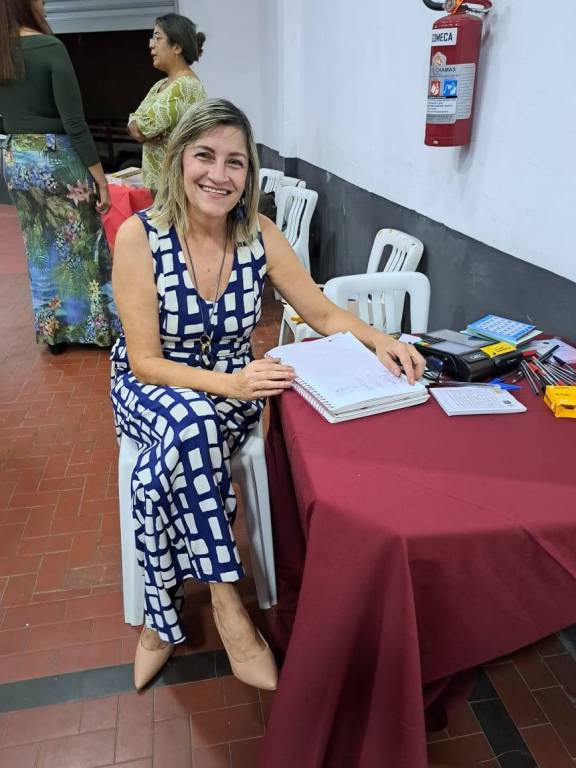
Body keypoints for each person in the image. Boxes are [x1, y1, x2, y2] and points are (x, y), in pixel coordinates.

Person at [111, 98, 426, 691]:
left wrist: (382, 339)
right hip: (152, 387)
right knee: (191, 423)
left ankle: (160, 615)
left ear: (249, 174)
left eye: (235, 162)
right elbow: (146, 362)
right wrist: (230, 383)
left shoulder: (259, 234)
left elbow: (322, 313)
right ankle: (227, 602)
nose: (219, 174)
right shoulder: (140, 237)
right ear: (179, 161)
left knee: (165, 465)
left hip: (233, 391)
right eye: (204, 156)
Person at [0, 0, 119, 353]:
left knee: (39, 244)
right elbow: (75, 123)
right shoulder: (50, 47)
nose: (44, 3)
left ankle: (55, 332)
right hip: (56, 158)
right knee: (81, 241)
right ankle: (96, 329)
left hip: (16, 158)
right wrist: (101, 179)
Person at [128, 14, 207, 193]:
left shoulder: (185, 86)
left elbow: (142, 127)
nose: (151, 44)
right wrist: (136, 127)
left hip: (176, 189)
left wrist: (139, 129)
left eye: (158, 38)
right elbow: (134, 122)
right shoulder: (161, 84)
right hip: (161, 188)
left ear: (177, 46)